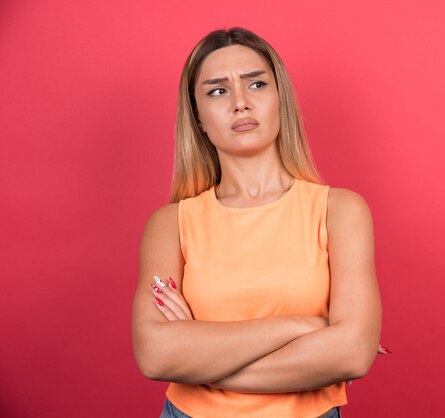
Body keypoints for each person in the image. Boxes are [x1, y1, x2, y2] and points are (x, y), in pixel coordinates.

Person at [131, 27, 387, 418]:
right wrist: (303, 326)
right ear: (198, 117)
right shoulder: (171, 225)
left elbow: (352, 353)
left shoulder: (341, 211)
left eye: (256, 84)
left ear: (280, 98)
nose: (240, 103)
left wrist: (200, 361)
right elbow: (155, 355)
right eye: (217, 90)